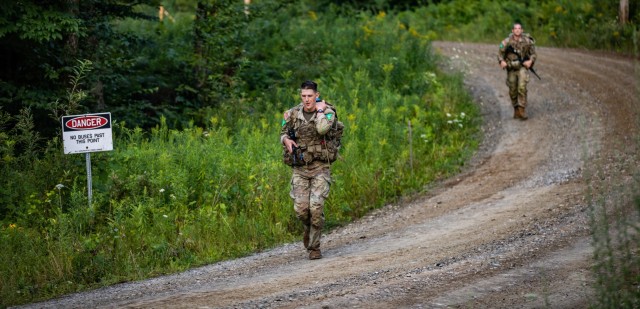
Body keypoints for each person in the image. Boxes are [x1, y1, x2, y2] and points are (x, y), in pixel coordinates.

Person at [280, 80, 335, 260]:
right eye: (303, 96)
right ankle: (308, 228)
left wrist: (320, 110)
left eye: (310, 96)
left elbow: (321, 129)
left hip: (320, 167)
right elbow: (283, 132)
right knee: (301, 210)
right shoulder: (293, 114)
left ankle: (314, 248)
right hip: (300, 168)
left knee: (316, 207)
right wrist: (286, 141)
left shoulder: (327, 112)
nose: (306, 100)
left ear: (316, 95)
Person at [498, 23, 537, 120]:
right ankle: (516, 108)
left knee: (522, 87)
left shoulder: (527, 41)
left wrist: (530, 61)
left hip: (522, 68)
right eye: (515, 28)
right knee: (513, 90)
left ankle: (522, 109)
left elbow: (533, 54)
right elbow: (500, 53)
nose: (517, 30)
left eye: (519, 28)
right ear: (512, 30)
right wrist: (502, 61)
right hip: (511, 68)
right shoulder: (507, 41)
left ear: (522, 30)